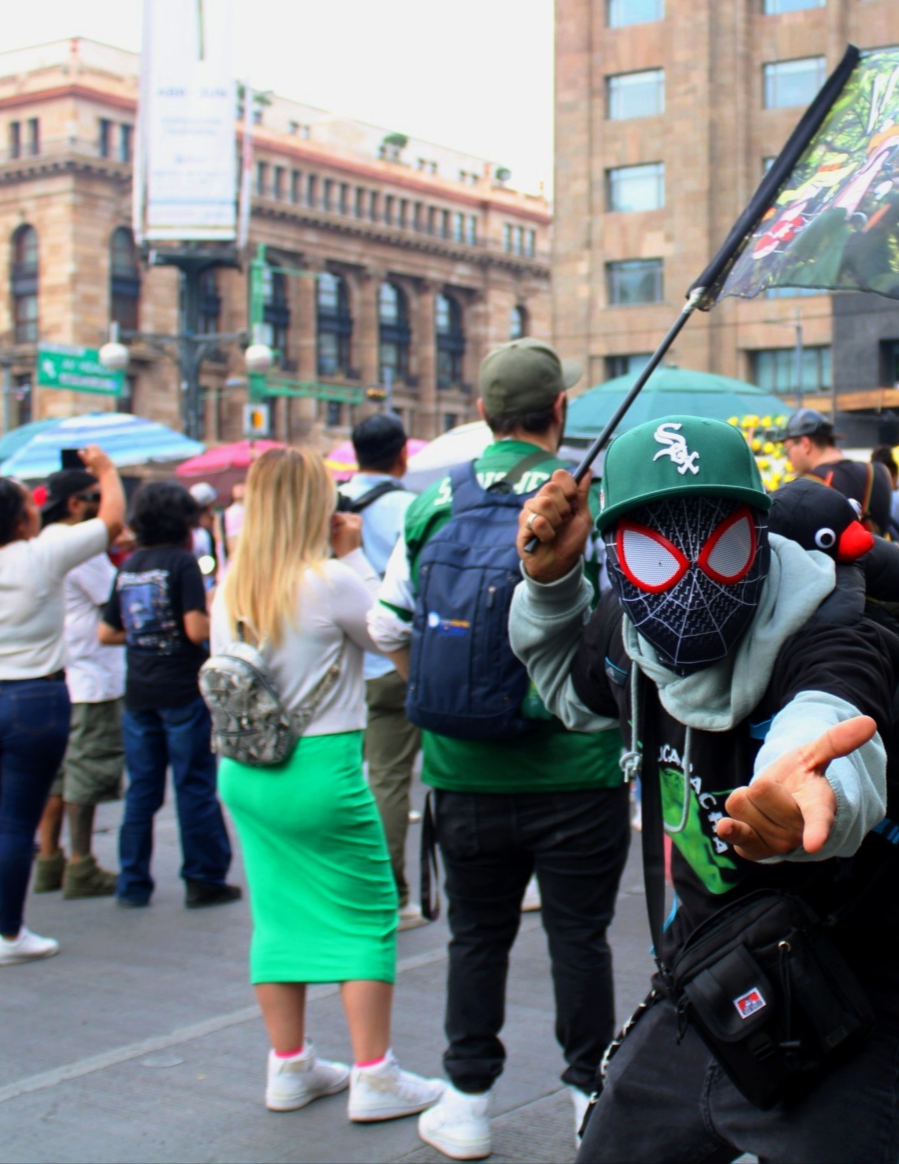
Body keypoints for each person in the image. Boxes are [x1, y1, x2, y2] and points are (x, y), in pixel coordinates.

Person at [509, 416, 899, 1164]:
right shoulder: (626, 637)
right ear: (618, 557)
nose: (693, 580)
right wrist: (549, 584)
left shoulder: (832, 624)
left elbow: (835, 714)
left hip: (844, 991)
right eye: (654, 551)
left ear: (760, 538)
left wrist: (805, 789)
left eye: (723, 542)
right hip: (699, 976)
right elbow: (569, 694)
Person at [368, 340, 629, 1159]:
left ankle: (467, 1103)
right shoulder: (587, 498)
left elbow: (386, 627)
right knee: (579, 940)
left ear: (483, 415)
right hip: (577, 770)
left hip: (461, 773)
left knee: (476, 941)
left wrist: (443, 699)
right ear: (560, 411)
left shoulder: (432, 505)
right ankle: (590, 1096)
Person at [210, 446, 446, 1120]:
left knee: (277, 916)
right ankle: (375, 1074)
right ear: (314, 505)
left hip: (245, 771)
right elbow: (385, 629)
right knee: (369, 911)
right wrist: (351, 558)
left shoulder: (232, 586)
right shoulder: (327, 579)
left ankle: (290, 1064)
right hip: (319, 766)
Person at [0, 448, 126, 964]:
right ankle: (9, 935)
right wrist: (104, 470)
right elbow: (112, 522)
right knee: (18, 821)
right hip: (35, 697)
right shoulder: (43, 553)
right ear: (19, 517)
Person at [102, 482, 239, 910]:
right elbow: (196, 630)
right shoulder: (181, 564)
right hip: (181, 689)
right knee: (194, 784)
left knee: (142, 789)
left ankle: (133, 881)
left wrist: (145, 631)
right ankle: (203, 877)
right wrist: (214, 605)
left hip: (139, 691)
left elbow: (106, 631)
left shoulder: (130, 566)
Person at [338, 413, 424, 931]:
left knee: (355, 777)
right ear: (401, 456)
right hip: (397, 662)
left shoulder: (333, 504)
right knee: (391, 781)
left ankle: (346, 884)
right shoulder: (410, 508)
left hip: (344, 663)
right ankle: (390, 893)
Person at [30, 470, 124, 899]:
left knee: (56, 775)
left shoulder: (42, 541)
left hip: (58, 670)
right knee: (84, 776)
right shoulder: (79, 547)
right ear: (75, 503)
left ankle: (50, 859)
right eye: (94, 496)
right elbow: (114, 599)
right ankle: (80, 863)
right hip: (91, 675)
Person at [782, 408, 894, 539]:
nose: (788, 457)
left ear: (806, 444)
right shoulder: (880, 472)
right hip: (880, 557)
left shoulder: (807, 486)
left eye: (787, 450)